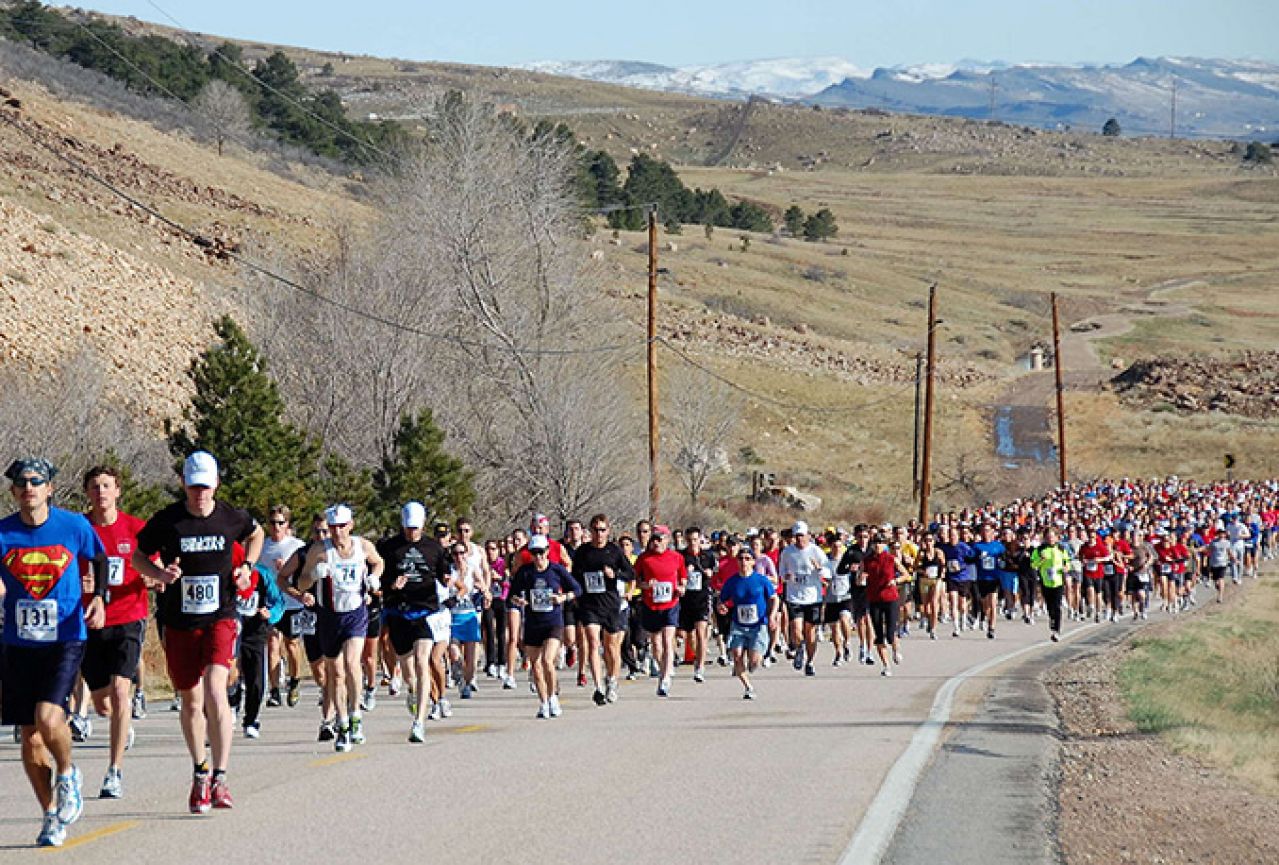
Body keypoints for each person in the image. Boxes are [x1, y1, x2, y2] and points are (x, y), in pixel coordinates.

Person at [132, 451, 263, 814]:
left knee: (215, 689)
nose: (199, 494)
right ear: (184, 485)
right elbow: (138, 556)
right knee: (190, 700)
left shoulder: (231, 518)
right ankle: (200, 771)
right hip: (179, 622)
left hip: (220, 615)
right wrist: (158, 575)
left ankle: (221, 777)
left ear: (216, 484)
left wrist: (246, 569)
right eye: (193, 487)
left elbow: (257, 534)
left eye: (205, 486)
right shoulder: (168, 521)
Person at [1, 458, 106, 847]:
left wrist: (99, 599)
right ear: (13, 492)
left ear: (49, 489)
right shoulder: (3, 533)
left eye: (36, 481)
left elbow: (99, 557)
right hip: (17, 642)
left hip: (65, 636)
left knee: (48, 717)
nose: (29, 487)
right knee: (29, 739)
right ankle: (49, 815)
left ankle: (67, 772)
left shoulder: (74, 526)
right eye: (21, 482)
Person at [80, 466, 148, 800]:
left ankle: (114, 771)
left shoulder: (135, 528)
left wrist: (156, 576)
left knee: (122, 692)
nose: (101, 492)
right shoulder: (80, 529)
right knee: (103, 704)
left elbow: (154, 563)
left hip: (128, 617)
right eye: (94, 487)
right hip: (90, 622)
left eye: (106, 486)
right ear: (88, 494)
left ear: (118, 491)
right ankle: (122, 725)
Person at [295, 504, 384, 753]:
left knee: (352, 664)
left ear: (351, 525)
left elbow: (378, 562)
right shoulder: (319, 551)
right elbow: (301, 583)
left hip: (355, 613)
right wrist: (313, 574)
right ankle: (342, 723)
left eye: (342, 527)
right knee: (335, 673)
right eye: (333, 528)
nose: (337, 532)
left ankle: (356, 717)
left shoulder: (362, 546)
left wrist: (374, 577)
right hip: (329, 616)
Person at [377, 502, 448, 743]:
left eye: (416, 529)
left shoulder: (433, 548)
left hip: (424, 612)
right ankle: (412, 690)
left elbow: (443, 573)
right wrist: (390, 585)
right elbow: (379, 578)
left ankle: (419, 722)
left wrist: (448, 579)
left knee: (422, 662)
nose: (412, 533)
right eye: (408, 528)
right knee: (409, 672)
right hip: (398, 612)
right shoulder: (389, 548)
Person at [508, 535, 581, 719]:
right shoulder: (525, 572)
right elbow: (512, 595)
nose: (538, 557)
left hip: (553, 622)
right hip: (533, 623)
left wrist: (563, 598)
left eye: (541, 552)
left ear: (548, 551)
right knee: (536, 666)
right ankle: (544, 702)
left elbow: (577, 589)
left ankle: (554, 696)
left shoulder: (556, 570)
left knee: (548, 660)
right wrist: (520, 600)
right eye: (534, 553)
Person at [570, 514, 634, 705]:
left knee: (612, 647)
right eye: (595, 530)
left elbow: (630, 573)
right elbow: (575, 576)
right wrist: (576, 594)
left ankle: (612, 680)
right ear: (590, 531)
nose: (599, 534)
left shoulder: (614, 551)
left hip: (610, 604)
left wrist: (614, 574)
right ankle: (598, 686)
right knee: (592, 642)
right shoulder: (583, 552)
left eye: (602, 530)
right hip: (590, 605)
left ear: (608, 531)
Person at [717, 547, 777, 699]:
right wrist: (721, 606)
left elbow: (774, 598)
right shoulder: (732, 582)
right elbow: (721, 599)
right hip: (739, 624)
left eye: (747, 559)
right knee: (736, 655)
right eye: (741, 559)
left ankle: (753, 663)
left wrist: (772, 616)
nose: (744, 562)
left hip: (758, 625)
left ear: (753, 562)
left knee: (755, 660)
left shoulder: (761, 580)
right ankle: (748, 687)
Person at [260, 505, 305, 708]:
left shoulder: (297, 546)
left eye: (281, 522)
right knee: (272, 645)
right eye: (273, 522)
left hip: (293, 602)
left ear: (288, 524)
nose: (276, 527)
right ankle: (274, 690)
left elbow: (306, 574)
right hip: (271, 604)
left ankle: (294, 681)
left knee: (292, 644)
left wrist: (286, 570)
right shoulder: (262, 546)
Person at [634, 525, 686, 697]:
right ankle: (662, 665)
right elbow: (636, 580)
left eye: (660, 538)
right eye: (654, 539)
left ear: (667, 539)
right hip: (651, 604)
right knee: (656, 645)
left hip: (671, 604)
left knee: (667, 640)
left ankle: (665, 679)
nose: (656, 542)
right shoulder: (643, 559)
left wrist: (681, 588)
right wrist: (644, 585)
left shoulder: (677, 557)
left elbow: (683, 578)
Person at [779, 520, 830, 675]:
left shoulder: (816, 551)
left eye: (802, 535)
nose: (800, 539)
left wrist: (819, 569)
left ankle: (810, 661)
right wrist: (786, 576)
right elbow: (781, 573)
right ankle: (799, 648)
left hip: (813, 597)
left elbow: (828, 573)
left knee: (811, 632)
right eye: (797, 536)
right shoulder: (787, 552)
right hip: (794, 596)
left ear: (808, 535)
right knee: (796, 628)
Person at [676, 526, 717, 684]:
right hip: (686, 599)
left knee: (701, 632)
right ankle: (696, 656)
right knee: (688, 635)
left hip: (702, 597)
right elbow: (677, 574)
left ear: (700, 539)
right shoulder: (681, 556)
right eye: (690, 540)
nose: (693, 543)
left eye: (695, 540)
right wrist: (685, 572)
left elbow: (715, 572)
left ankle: (700, 667)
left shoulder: (708, 555)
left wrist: (710, 573)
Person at [863, 530, 906, 676]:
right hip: (874, 599)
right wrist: (860, 577)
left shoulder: (891, 559)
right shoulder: (867, 560)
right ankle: (886, 666)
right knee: (879, 635)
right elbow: (860, 577)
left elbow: (906, 575)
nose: (877, 546)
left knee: (890, 632)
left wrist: (896, 580)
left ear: (885, 544)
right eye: (875, 543)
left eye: (880, 543)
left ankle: (895, 649)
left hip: (890, 598)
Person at [1030, 526, 1069, 641]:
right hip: (1046, 582)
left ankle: (1056, 630)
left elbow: (1067, 562)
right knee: (1050, 606)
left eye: (1052, 537)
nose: (1050, 539)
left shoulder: (1061, 549)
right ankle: (1052, 622)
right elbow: (1033, 565)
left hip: (1058, 581)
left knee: (1057, 606)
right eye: (1048, 537)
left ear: (1057, 538)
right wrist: (1041, 560)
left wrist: (1066, 567)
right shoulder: (1039, 549)